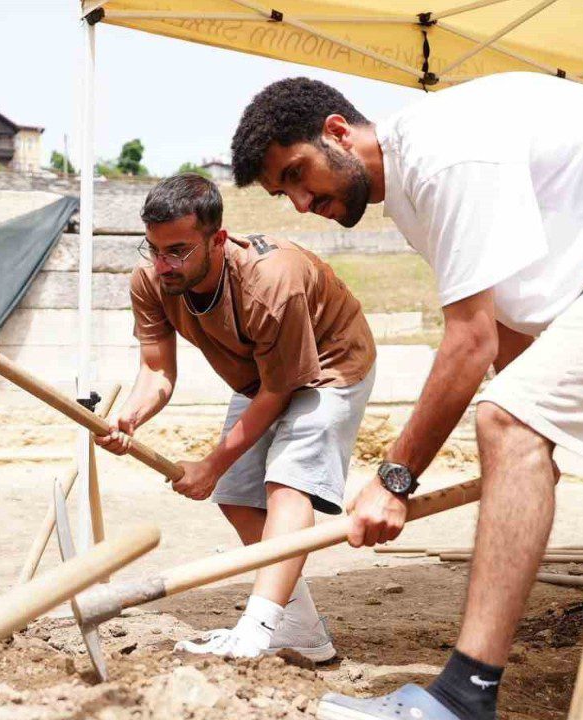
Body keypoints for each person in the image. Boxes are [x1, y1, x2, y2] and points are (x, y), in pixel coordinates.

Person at [230, 73, 583, 720]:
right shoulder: (419, 193)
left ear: (337, 131)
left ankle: (463, 696)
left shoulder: (440, 152)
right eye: (286, 194)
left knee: (507, 421)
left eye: (299, 174)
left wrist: (397, 478)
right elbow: (504, 336)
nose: (303, 203)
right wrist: (534, 438)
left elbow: (468, 345)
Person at [95, 173, 376, 661]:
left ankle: (257, 627)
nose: (163, 265)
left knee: (287, 483)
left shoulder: (271, 282)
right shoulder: (151, 281)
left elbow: (280, 389)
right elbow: (157, 370)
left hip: (331, 363)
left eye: (178, 251)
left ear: (218, 239)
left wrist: (211, 462)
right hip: (262, 375)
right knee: (236, 495)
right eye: (154, 249)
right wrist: (130, 418)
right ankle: (304, 631)